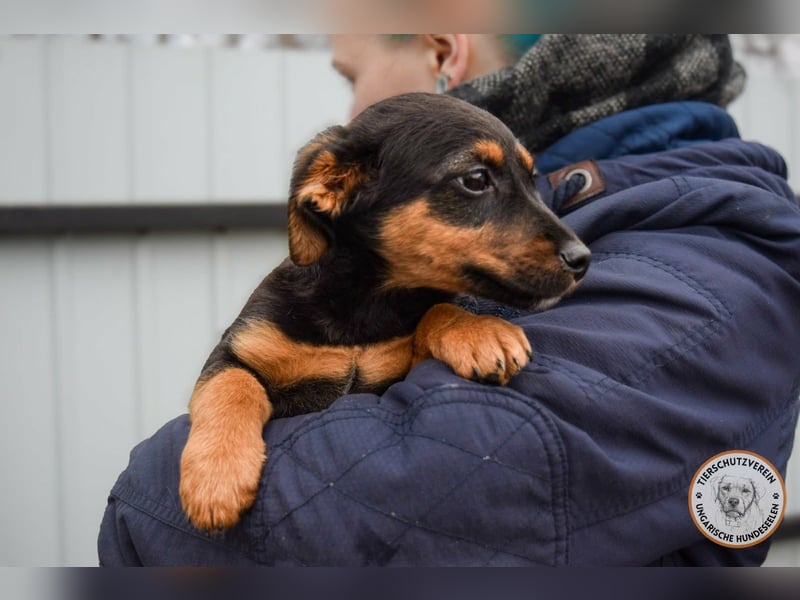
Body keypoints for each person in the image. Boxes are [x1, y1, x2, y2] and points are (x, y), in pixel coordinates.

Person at [98, 34, 800, 566]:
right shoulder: (587, 228)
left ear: (445, 54)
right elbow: (244, 370)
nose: (351, 111)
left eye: (353, 77)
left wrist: (146, 489)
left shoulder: (705, 274)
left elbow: (168, 521)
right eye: (478, 182)